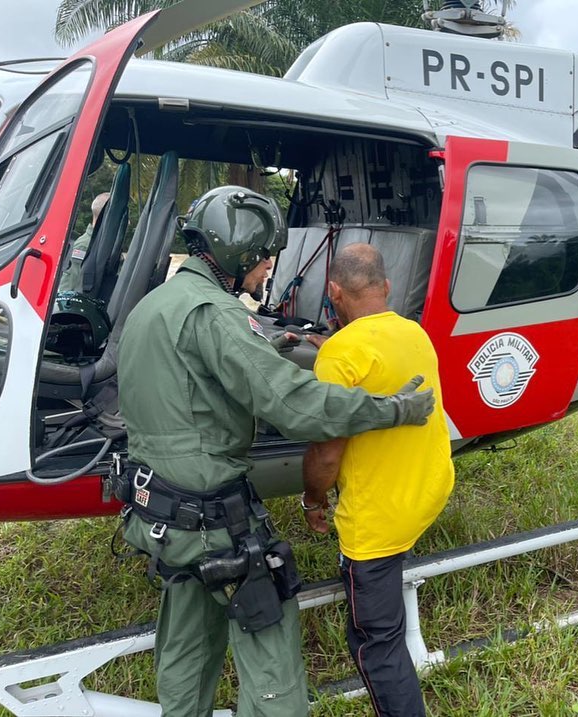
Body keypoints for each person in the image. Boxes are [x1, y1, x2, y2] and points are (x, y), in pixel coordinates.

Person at [115, 185, 436, 717]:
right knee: (272, 649)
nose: (268, 269)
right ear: (239, 253)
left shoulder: (158, 303)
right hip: (212, 518)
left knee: (188, 639)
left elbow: (187, 381)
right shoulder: (216, 314)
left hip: (162, 514)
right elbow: (297, 406)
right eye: (265, 257)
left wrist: (262, 347)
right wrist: (394, 410)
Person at [302, 243, 455, 717]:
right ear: (386, 288)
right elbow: (381, 372)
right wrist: (334, 348)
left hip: (379, 521)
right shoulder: (415, 333)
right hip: (429, 490)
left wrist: (312, 500)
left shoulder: (340, 355)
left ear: (333, 293)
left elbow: (326, 453)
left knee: (376, 642)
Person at [58, 192, 109, 293]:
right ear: (106, 216)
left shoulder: (103, 244)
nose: (128, 222)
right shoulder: (84, 246)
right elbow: (69, 286)